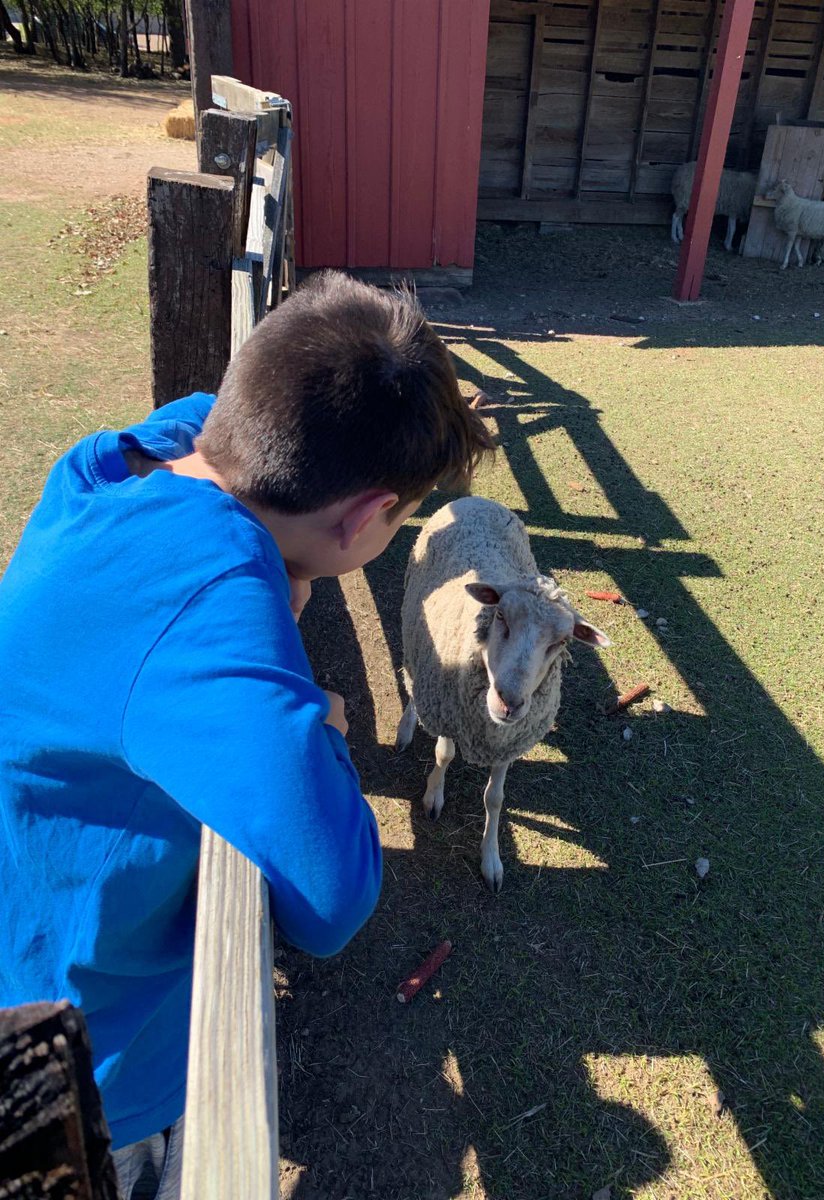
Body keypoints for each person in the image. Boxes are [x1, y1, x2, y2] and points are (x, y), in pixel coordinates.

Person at [0, 271, 492, 1197]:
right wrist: (326, 727)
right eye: (401, 517)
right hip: (71, 1043)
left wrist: (287, 584)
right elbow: (333, 899)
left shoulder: (134, 458)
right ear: (361, 517)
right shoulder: (210, 615)